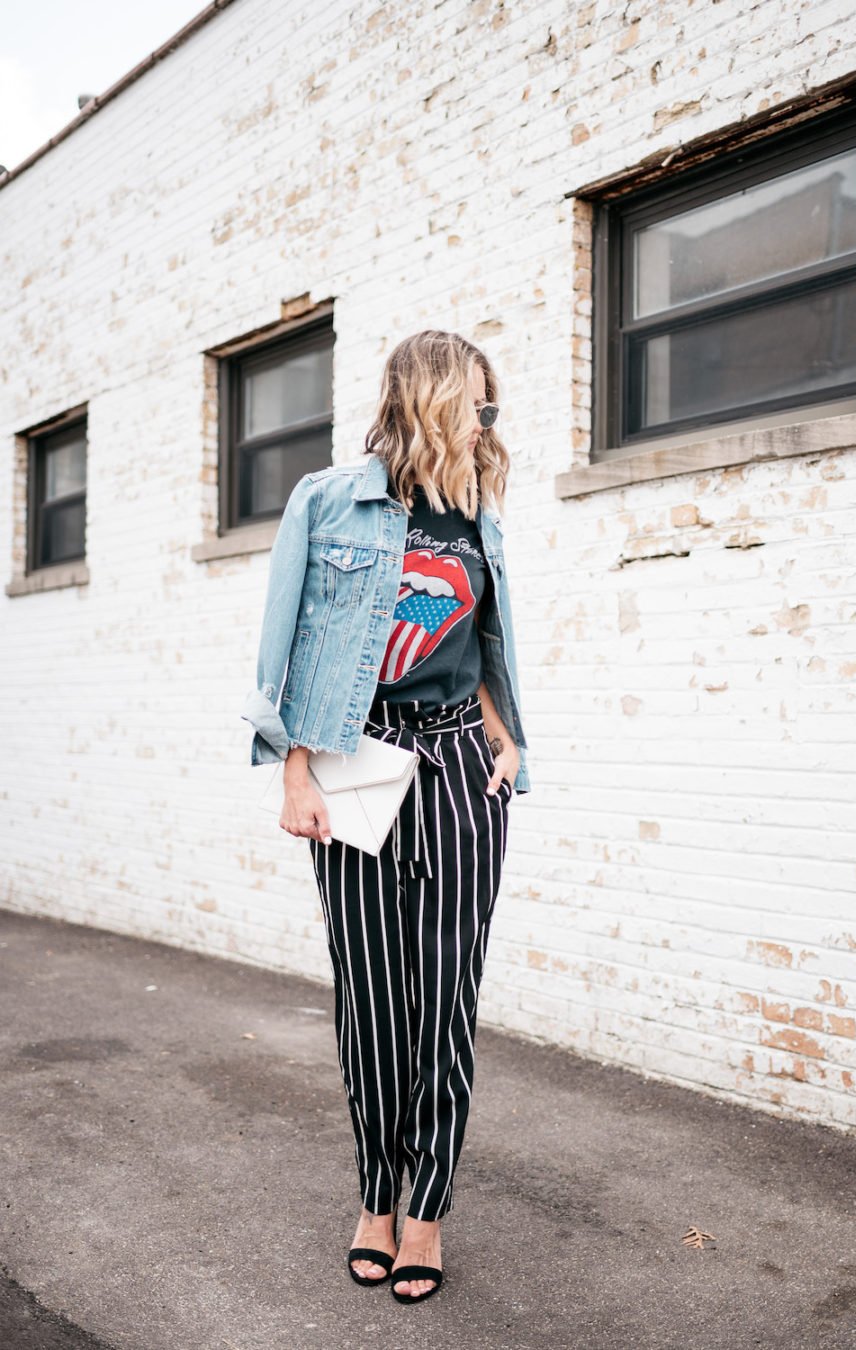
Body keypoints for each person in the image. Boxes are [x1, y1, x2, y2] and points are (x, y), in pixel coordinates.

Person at [242, 329, 530, 1304]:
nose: (488, 424)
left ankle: (428, 1210)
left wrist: (508, 737)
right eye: (477, 406)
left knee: (446, 1001)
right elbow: (283, 643)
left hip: (458, 765)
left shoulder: (478, 514)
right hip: (356, 756)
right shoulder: (329, 501)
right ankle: (376, 1194)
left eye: (493, 409)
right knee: (370, 1001)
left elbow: (487, 639)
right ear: (433, 399)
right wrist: (294, 777)